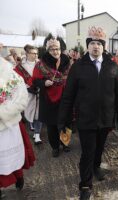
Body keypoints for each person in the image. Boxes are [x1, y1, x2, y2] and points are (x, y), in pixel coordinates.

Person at [58, 26, 118, 200]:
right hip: (86, 118)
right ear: (88, 46)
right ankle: (85, 185)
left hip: (105, 118)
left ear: (104, 46)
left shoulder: (112, 66)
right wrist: (64, 118)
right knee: (88, 151)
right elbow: (68, 95)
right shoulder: (78, 67)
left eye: (99, 43)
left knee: (99, 148)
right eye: (93, 43)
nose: (96, 46)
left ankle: (96, 166)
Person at [0, 57, 35, 199]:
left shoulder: (11, 73)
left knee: (13, 156)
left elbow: (21, 99)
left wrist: (3, 113)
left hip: (10, 124)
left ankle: (18, 176)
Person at [32, 38, 71, 157]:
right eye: (52, 49)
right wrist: (44, 83)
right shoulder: (41, 64)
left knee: (66, 123)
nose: (55, 51)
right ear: (48, 50)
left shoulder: (67, 62)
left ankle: (65, 143)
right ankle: (55, 147)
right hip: (48, 99)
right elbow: (35, 80)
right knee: (52, 126)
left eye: (57, 49)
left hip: (65, 97)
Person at [14, 44, 42, 145]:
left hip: (40, 92)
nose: (35, 55)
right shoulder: (21, 66)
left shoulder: (40, 64)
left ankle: (37, 135)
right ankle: (34, 128)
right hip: (28, 93)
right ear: (27, 54)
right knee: (31, 113)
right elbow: (17, 80)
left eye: (36, 53)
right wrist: (27, 87)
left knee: (39, 114)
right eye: (33, 53)